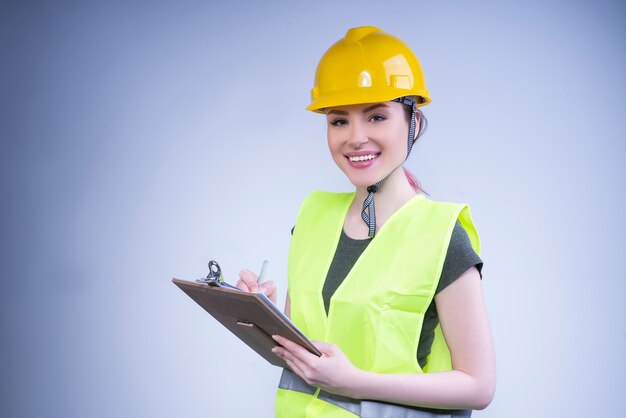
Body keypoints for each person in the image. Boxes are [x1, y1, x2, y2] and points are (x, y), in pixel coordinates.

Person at [237, 26, 495, 417]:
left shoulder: (441, 235)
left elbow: (479, 386)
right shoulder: (313, 216)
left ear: (412, 121)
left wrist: (355, 382)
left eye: (376, 116)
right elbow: (310, 354)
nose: (356, 138)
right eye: (339, 121)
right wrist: (263, 315)